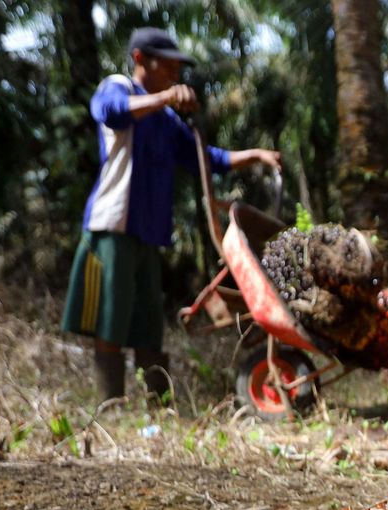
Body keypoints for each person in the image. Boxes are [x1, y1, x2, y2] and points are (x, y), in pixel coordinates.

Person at [61, 27, 282, 405]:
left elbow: (206, 158)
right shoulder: (118, 88)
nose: (175, 73)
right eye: (169, 64)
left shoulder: (165, 120)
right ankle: (110, 405)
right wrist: (163, 98)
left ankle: (158, 407)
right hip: (114, 223)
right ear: (141, 59)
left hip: (149, 231)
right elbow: (111, 114)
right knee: (110, 316)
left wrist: (256, 155)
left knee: (148, 323)